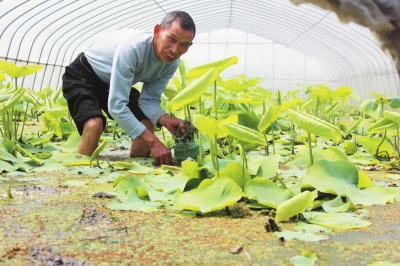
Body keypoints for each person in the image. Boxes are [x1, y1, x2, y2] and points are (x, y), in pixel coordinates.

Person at [62, 11, 195, 166]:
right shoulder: (131, 48)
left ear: (189, 45)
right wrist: (154, 142)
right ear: (157, 30)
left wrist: (165, 119)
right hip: (83, 75)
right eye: (171, 39)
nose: (174, 50)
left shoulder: (172, 63)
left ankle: (138, 172)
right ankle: (82, 172)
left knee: (146, 125)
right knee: (94, 124)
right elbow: (117, 107)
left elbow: (149, 100)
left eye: (183, 45)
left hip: (112, 80)